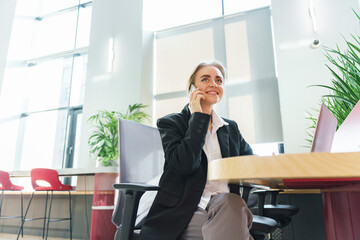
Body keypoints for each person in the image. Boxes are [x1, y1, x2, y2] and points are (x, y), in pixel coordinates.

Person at [140, 61, 254, 240]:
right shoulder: (171, 123)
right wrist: (198, 117)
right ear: (193, 88)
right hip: (185, 208)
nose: (214, 84)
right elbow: (185, 164)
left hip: (225, 202)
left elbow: (249, 162)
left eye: (219, 80)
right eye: (206, 79)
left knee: (233, 203)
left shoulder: (230, 128)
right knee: (234, 231)